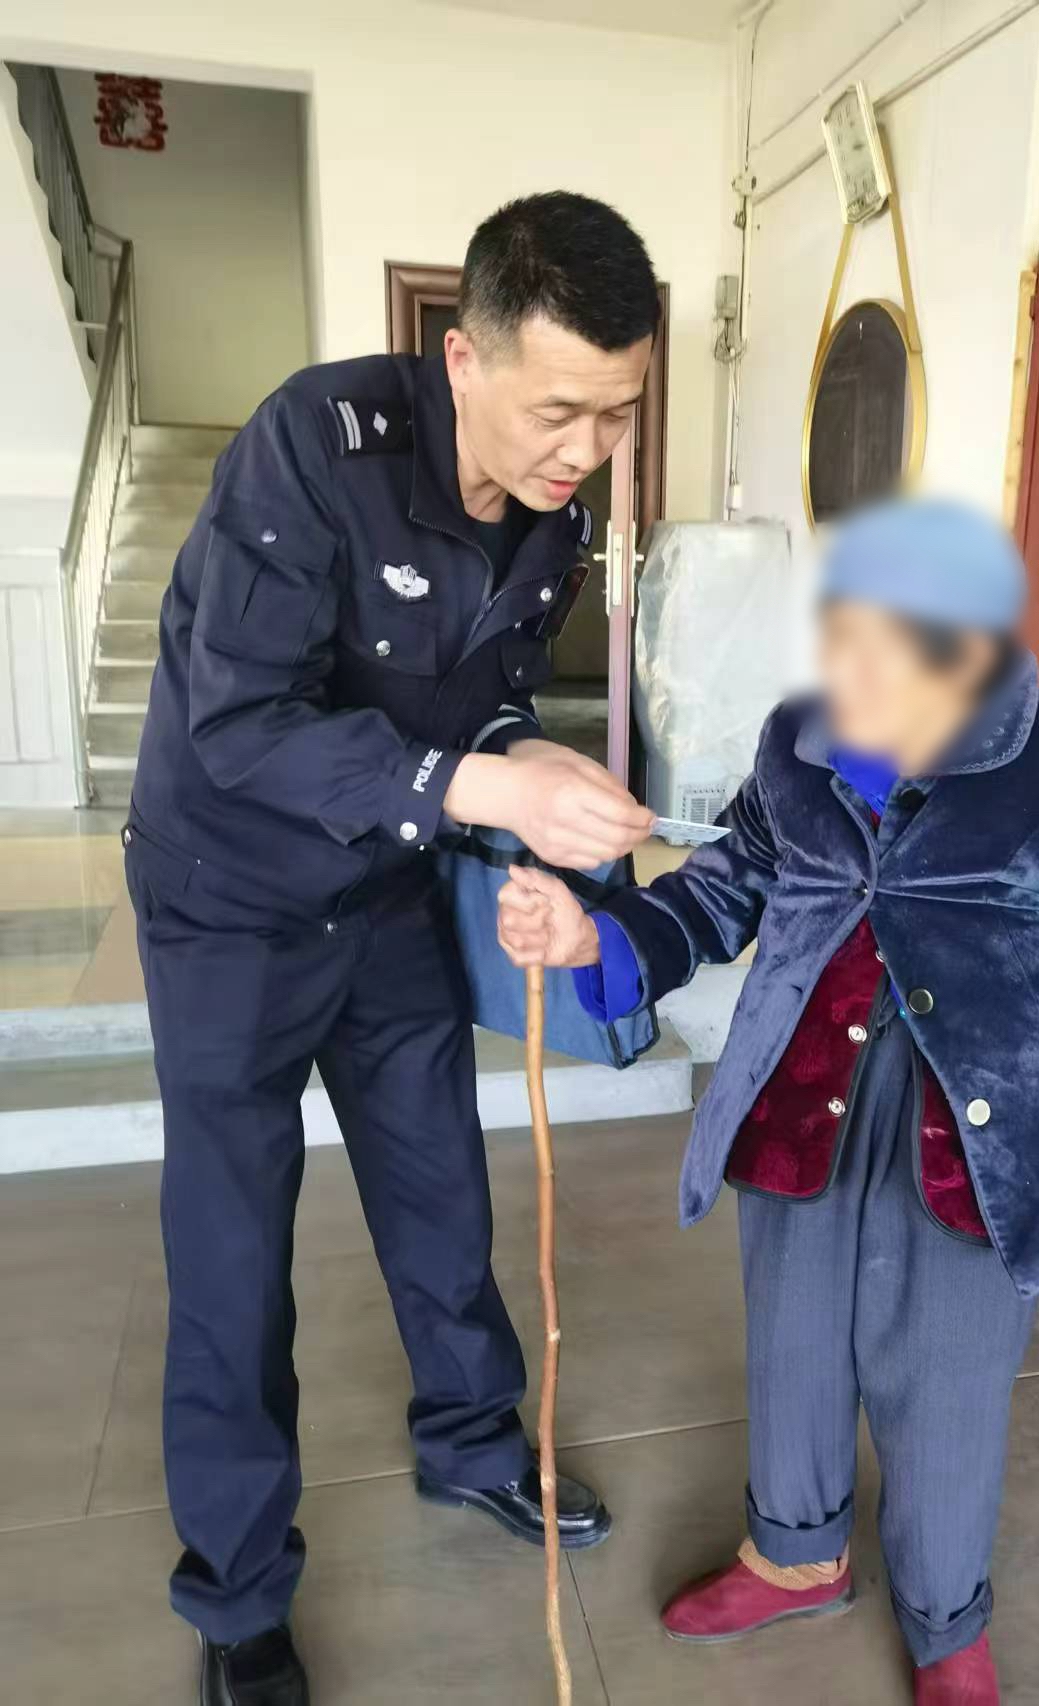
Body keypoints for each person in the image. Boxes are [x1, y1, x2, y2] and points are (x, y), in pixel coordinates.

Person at [496, 496, 1039, 1705]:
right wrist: (598, 932)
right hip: (802, 1101)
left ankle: (946, 1621)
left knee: (942, 1388)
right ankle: (795, 1554)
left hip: (982, 1139)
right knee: (791, 1344)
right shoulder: (800, 740)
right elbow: (722, 888)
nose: (850, 679)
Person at [125, 190, 658, 1706]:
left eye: (617, 414)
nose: (585, 449)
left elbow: (482, 697)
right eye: (558, 409)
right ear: (462, 357)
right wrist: (482, 785)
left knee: (437, 1186)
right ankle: (239, 1592)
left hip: (384, 890)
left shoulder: (556, 509)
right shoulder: (314, 446)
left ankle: (473, 1443)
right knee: (233, 1249)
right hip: (228, 904)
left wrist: (527, 766)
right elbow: (240, 725)